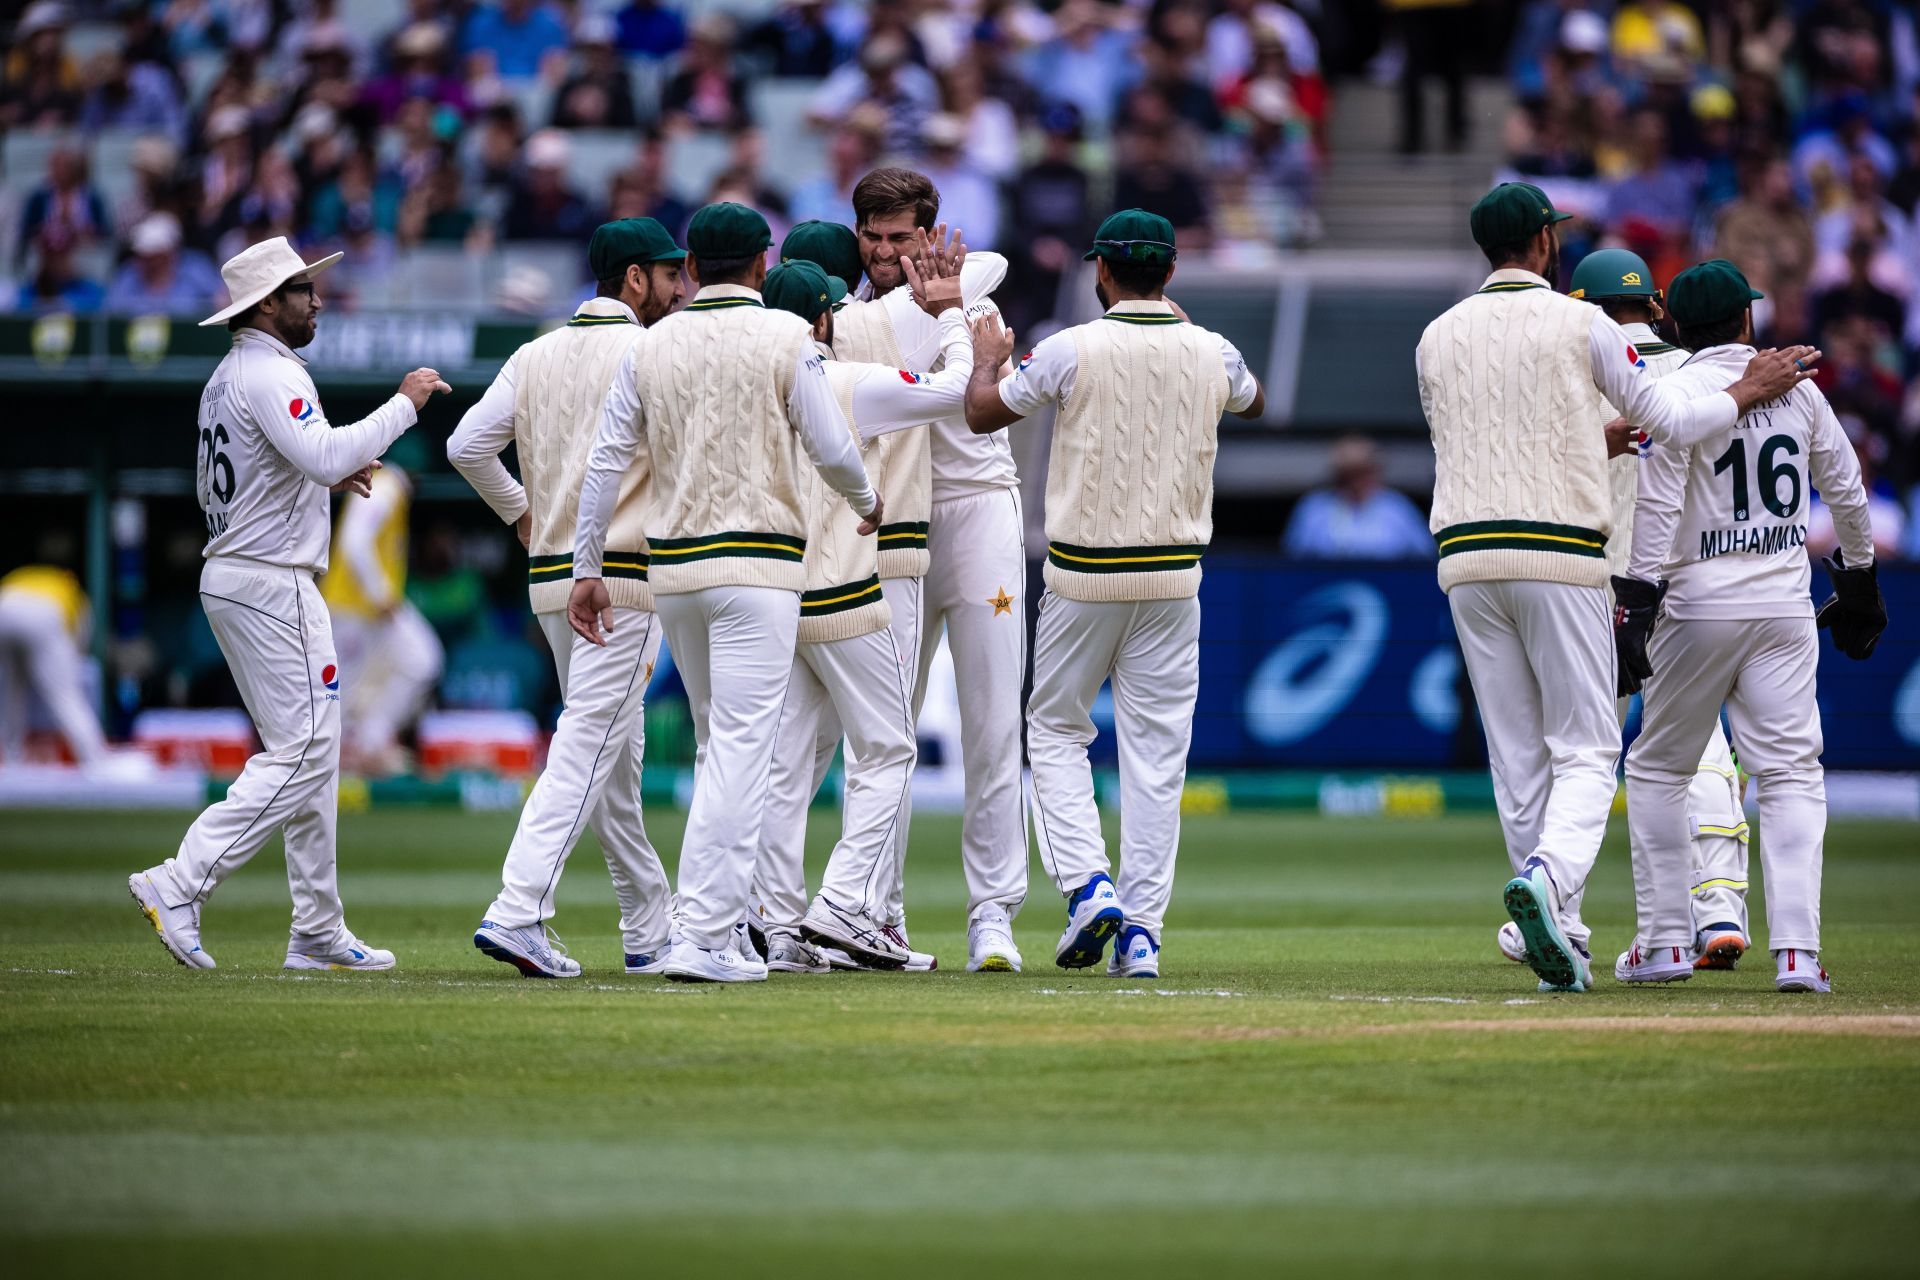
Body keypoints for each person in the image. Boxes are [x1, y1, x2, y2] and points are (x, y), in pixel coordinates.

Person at [1416, 182, 1820, 994]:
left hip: (1463, 557)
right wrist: (1745, 390)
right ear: (1542, 243)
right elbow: (1667, 416)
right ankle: (1551, 881)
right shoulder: (1582, 323)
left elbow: (1496, 435)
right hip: (1561, 553)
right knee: (1592, 746)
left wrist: (1592, 438)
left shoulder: (1437, 334)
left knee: (1517, 752)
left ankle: (1559, 938)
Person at [569, 203, 880, 984]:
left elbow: (606, 461)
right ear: (762, 263)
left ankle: (720, 929)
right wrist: (866, 500)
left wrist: (586, 566)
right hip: (759, 571)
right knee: (744, 749)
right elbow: (830, 441)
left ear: (696, 267)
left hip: (673, 575)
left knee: (720, 749)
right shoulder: (787, 335)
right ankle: (705, 935)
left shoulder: (653, 342)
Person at [128, 237, 451, 972]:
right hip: (270, 582)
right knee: (306, 749)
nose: (317, 299)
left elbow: (282, 470)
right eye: (304, 289)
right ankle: (180, 882)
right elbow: (326, 454)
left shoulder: (230, 375)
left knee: (310, 751)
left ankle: (315, 930)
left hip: (246, 575)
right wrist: (405, 403)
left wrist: (324, 482)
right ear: (268, 304)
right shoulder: (271, 375)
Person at [964, 209, 1263, 977]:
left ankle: (1090, 888)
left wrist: (984, 360)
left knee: (1056, 731)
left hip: (1082, 574)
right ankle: (1142, 936)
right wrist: (1190, 333)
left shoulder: (1069, 345)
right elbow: (1252, 400)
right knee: (1158, 756)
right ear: (1170, 272)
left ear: (1101, 270)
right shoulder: (1212, 349)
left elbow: (982, 412)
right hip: (1174, 579)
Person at [1616, 259, 1886, 992]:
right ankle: (1798, 954)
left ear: (1674, 325)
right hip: (1782, 605)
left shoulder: (1674, 394)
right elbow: (1847, 487)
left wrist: (1635, 598)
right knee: (1793, 774)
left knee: (1658, 769)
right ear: (1745, 321)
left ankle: (1668, 941)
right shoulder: (1798, 390)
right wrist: (1859, 577)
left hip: (1696, 607)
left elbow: (1660, 505)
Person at [449, 218, 685, 979]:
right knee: (589, 744)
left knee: (614, 765)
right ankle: (519, 910)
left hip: (552, 579)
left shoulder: (534, 352)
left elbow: (465, 446)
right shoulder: (651, 351)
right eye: (669, 274)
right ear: (634, 279)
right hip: (620, 582)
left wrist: (521, 512)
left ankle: (651, 928)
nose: (681, 289)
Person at [1512, 246, 1753, 971]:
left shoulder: (1567, 368)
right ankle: (1717, 907)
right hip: (1679, 581)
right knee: (1700, 747)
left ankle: (1560, 913)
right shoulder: (1688, 372)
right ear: (1653, 305)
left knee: (1578, 754)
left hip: (1593, 585)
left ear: (1580, 305)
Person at [751, 247, 970, 974]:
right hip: (845, 591)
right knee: (890, 749)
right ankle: (847, 903)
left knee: (783, 766)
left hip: (778, 594)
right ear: (824, 317)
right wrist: (951, 316)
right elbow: (957, 389)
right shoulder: (848, 380)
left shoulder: (748, 388)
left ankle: (777, 926)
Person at [842, 169, 1027, 973]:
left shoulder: (969, 293)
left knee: (993, 725)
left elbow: (993, 267)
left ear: (929, 233)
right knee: (884, 732)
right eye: (873, 239)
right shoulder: (845, 317)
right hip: (896, 525)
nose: (886, 254)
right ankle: (876, 912)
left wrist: (950, 293)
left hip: (982, 508)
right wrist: (941, 295)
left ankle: (993, 917)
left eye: (901, 239)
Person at [320, 443, 444, 778]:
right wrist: (380, 594)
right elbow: (354, 540)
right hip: (355, 608)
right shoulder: (389, 485)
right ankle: (346, 759)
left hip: (361, 609)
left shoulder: (385, 484)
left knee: (417, 659)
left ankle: (369, 743)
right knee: (342, 691)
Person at [0, 564, 108, 767]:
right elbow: (77, 646)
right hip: (43, 613)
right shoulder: (73, 593)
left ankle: (11, 760)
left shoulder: (22, 576)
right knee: (66, 695)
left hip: (3, 609)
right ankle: (94, 760)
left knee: (11, 692)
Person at [1282, 436, 1434, 560]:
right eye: (1352, 474)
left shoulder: (1397, 507)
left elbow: (1426, 555)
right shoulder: (1313, 509)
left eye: (1366, 472)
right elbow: (1292, 559)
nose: (1359, 481)